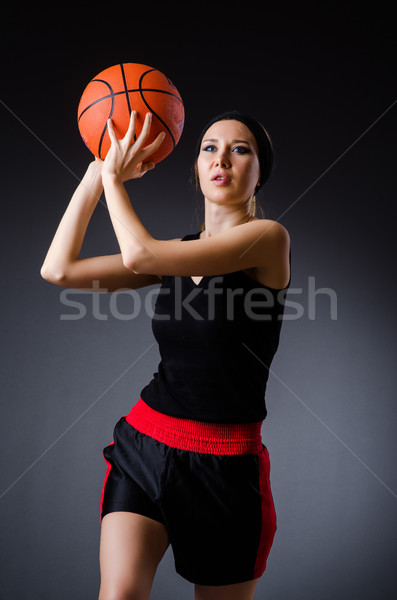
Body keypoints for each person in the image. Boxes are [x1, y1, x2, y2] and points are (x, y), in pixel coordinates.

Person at [41, 109, 291, 600]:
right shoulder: (177, 251)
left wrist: (115, 179)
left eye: (240, 150)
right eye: (209, 148)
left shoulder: (268, 240)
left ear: (260, 172)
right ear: (196, 169)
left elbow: (140, 255)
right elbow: (59, 269)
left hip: (225, 468)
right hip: (146, 446)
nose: (222, 159)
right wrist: (95, 177)